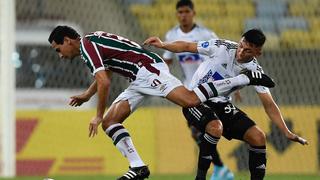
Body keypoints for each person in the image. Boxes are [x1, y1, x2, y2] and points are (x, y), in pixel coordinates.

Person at [48, 26, 275, 180]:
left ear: (68, 41)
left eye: (58, 49)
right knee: (110, 122)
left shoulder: (87, 46)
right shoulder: (92, 41)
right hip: (137, 77)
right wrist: (88, 96)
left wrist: (96, 113)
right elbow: (106, 69)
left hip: (147, 71)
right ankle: (138, 166)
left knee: (190, 99)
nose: (60, 55)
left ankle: (243, 78)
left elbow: (104, 82)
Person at [143, 28, 308, 180]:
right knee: (215, 127)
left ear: (258, 52)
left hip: (221, 103)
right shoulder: (222, 46)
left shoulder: (255, 71)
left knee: (258, 137)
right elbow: (187, 46)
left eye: (248, 50)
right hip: (194, 99)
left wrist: (285, 131)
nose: (241, 51)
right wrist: (163, 44)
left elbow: (269, 104)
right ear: (240, 40)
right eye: (241, 45)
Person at [163, 0, 234, 179]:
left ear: (193, 13)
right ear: (176, 14)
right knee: (197, 132)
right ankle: (220, 168)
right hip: (189, 92)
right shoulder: (171, 35)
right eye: (180, 12)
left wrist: (233, 85)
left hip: (211, 89)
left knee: (209, 129)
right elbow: (166, 64)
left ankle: (218, 168)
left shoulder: (205, 34)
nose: (183, 15)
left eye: (187, 11)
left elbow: (222, 58)